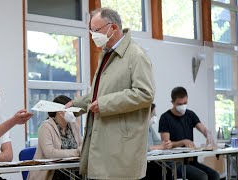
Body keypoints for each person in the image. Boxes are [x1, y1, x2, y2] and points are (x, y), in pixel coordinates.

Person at [65, 7, 155, 179]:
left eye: (96, 30)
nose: (93, 36)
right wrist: (76, 105)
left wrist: (105, 104)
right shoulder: (106, 54)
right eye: (91, 31)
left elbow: (145, 93)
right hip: (102, 148)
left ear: (113, 28)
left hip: (120, 153)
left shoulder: (136, 55)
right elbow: (98, 94)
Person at [159, 86, 220, 180]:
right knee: (202, 177)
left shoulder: (190, 114)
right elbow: (166, 145)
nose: (183, 106)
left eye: (185, 103)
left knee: (215, 176)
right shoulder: (165, 118)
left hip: (191, 160)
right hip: (175, 162)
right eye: (179, 104)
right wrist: (183, 142)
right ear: (172, 102)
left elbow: (203, 129)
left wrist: (208, 134)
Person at [27, 95, 83, 180]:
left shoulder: (74, 125)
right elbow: (50, 153)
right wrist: (76, 152)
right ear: (59, 111)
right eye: (68, 109)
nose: (71, 112)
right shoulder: (46, 126)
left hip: (73, 171)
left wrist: (79, 151)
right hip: (52, 174)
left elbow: (82, 146)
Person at [142, 103, 172, 180]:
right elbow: (142, 148)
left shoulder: (149, 128)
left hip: (151, 161)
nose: (154, 117)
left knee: (167, 170)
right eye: (153, 114)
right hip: (142, 165)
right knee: (164, 171)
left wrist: (166, 144)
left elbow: (157, 142)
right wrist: (160, 147)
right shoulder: (138, 129)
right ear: (146, 115)